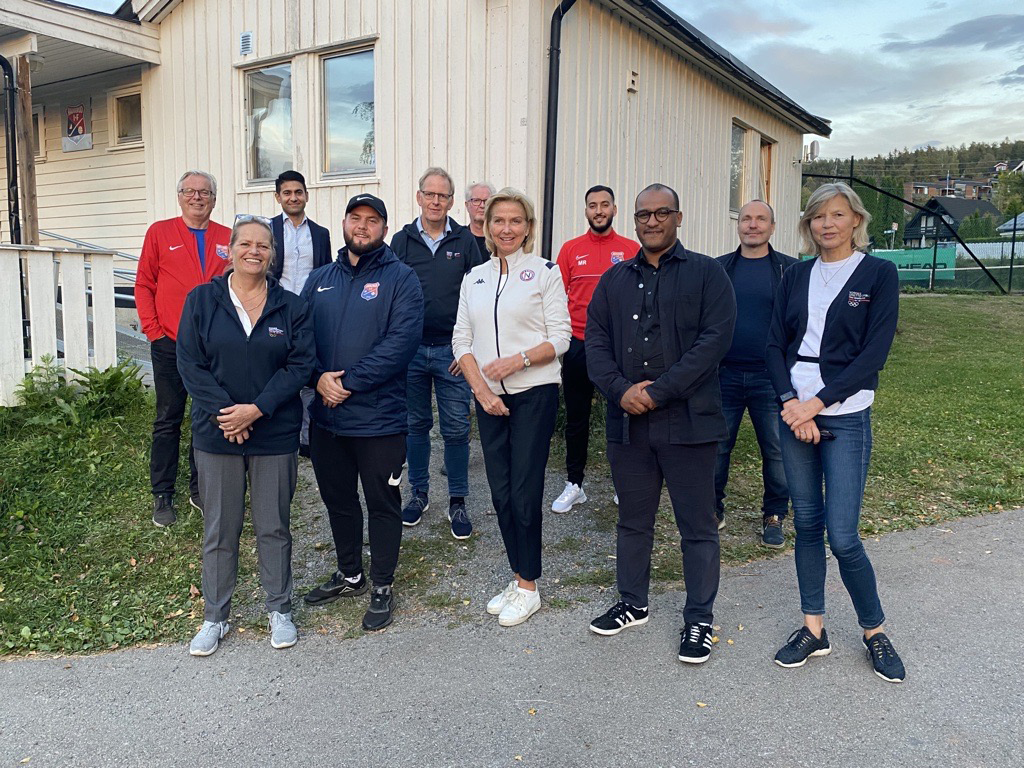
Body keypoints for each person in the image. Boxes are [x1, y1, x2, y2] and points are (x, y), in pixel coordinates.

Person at [585, 184, 736, 664]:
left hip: (690, 422)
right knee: (633, 521)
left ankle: (700, 620)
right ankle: (633, 603)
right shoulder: (615, 280)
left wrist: (657, 390)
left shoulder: (708, 275)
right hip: (629, 424)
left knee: (697, 525)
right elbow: (595, 341)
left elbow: (713, 343)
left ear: (678, 216)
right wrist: (619, 389)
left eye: (661, 213)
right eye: (643, 215)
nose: (651, 221)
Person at [766, 182, 905, 683]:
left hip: (844, 412)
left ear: (855, 220)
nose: (828, 224)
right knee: (805, 524)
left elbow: (873, 356)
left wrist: (815, 406)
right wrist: (790, 403)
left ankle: (874, 630)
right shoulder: (795, 275)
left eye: (838, 215)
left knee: (843, 535)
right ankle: (814, 627)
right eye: (819, 216)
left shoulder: (878, 274)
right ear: (809, 225)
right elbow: (773, 344)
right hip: (792, 407)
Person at [176, 215, 315, 656]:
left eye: (263, 245)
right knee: (221, 527)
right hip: (217, 434)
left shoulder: (291, 306)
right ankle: (214, 617)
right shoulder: (202, 300)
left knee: (273, 525)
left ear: (272, 255)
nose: (254, 251)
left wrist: (256, 410)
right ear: (230, 250)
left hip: (274, 432)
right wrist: (227, 414)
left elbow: (300, 365)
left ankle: (280, 610)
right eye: (246, 244)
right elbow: (190, 364)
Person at [301, 194, 424, 632]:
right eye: (356, 218)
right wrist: (318, 379)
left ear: (384, 229)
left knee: (382, 503)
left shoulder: (402, 279)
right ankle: (350, 573)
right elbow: (300, 343)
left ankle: (382, 584)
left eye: (373, 220)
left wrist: (345, 382)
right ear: (344, 223)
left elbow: (401, 344)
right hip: (327, 422)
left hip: (379, 422)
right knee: (338, 501)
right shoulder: (319, 280)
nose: (363, 226)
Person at [451, 188, 571, 627]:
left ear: (528, 227)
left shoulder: (544, 272)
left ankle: (529, 586)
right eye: (498, 220)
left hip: (534, 392)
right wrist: (481, 388)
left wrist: (517, 361)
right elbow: (460, 339)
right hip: (488, 397)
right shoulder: (474, 277)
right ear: (486, 227)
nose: (506, 228)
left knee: (524, 491)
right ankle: (517, 574)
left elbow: (561, 337)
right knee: (499, 491)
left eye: (515, 221)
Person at [390, 168, 485, 539]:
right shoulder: (401, 240)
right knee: (416, 426)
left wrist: (469, 349)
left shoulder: (465, 240)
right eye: (429, 194)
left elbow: (478, 295)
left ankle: (457, 500)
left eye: (443, 196)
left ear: (450, 201)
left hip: (452, 351)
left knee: (457, 428)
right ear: (419, 197)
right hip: (411, 350)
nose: (435, 201)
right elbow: (389, 294)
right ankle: (419, 494)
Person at [135, 170, 231, 528]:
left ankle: (199, 488)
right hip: (170, 343)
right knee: (168, 417)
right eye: (190, 191)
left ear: (214, 198)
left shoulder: (227, 237)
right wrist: (154, 331)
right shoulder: (160, 232)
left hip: (211, 346)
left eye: (204, 192)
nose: (197, 197)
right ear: (179, 197)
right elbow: (144, 284)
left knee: (206, 417)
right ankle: (163, 493)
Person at [552, 185, 640, 513]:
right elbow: (556, 298)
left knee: (622, 414)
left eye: (605, 204)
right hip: (579, 345)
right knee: (577, 418)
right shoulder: (570, 249)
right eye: (592, 205)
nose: (599, 210)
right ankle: (575, 484)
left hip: (618, 349)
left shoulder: (632, 249)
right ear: (586, 211)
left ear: (615, 210)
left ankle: (623, 482)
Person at [715, 200, 797, 547]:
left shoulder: (789, 271)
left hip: (771, 378)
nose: (752, 224)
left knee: (777, 450)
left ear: (772, 227)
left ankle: (775, 514)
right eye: (746, 218)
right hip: (724, 375)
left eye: (760, 219)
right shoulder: (719, 269)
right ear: (738, 226)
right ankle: (712, 509)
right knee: (717, 446)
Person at [270, 170, 333, 458]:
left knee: (308, 370)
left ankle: (307, 439)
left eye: (298, 192)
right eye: (287, 193)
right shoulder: (268, 229)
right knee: (277, 369)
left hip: (309, 314)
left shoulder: (320, 234)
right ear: (278, 197)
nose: (293, 197)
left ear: (306, 195)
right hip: (275, 311)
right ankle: (280, 431)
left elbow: (327, 275)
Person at [464, 181, 495, 257]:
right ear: (467, 205)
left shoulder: (499, 239)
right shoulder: (460, 238)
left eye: (486, 201)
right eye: (476, 200)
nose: (482, 206)